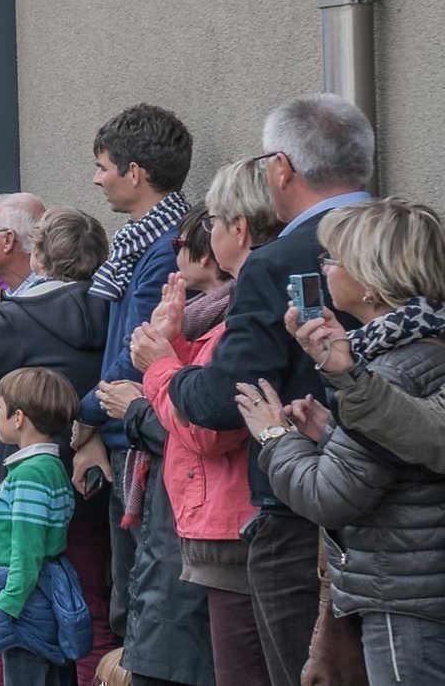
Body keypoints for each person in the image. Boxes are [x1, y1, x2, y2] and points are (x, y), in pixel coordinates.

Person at [167, 94, 376, 686]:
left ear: (281, 168)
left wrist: (169, 374)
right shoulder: (408, 235)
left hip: (301, 509)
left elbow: (225, 397)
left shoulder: (279, 261)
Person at [244, 198, 445, 686]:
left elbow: (330, 496)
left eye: (332, 259)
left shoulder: (388, 370)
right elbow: (398, 453)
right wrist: (332, 432)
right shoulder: (422, 346)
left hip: (405, 599)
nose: (323, 269)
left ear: (371, 282)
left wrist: (275, 435)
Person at [0, 208, 120, 683]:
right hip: (83, 476)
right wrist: (1, 301)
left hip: (12, 480)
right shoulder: (111, 307)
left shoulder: (25, 312)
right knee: (86, 604)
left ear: (38, 256)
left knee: (3, 614)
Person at [132, 160, 282, 686]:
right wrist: (171, 347)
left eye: (212, 221)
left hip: (229, 523)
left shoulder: (240, 317)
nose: (204, 233)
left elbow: (206, 425)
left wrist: (158, 368)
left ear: (237, 230)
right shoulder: (227, 316)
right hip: (216, 521)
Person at [78, 104, 194, 658]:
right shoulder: (138, 243)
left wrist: (82, 416)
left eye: (103, 166)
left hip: (141, 439)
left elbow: (135, 356)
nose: (97, 179)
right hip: (123, 431)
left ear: (135, 172)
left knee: (138, 600)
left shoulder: (163, 248)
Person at [0, 368, 89, 686]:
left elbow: (27, 551)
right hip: (33, 594)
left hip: (24, 605)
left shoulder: (30, 475)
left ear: (18, 418)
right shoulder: (49, 466)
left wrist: (6, 608)